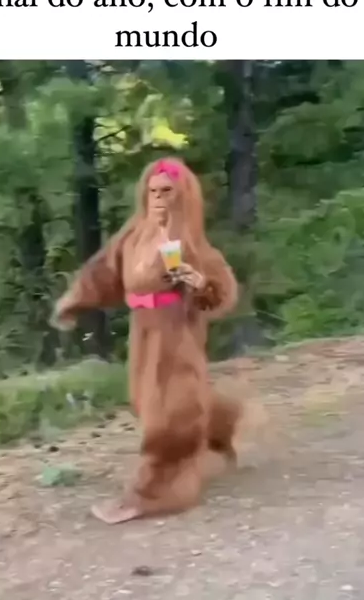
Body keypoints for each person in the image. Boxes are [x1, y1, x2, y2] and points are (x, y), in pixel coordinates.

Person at [51, 157, 242, 524]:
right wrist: (75, 301)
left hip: (177, 330)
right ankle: (217, 425)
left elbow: (221, 290)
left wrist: (200, 283)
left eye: (166, 191)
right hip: (143, 330)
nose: (158, 198)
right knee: (147, 401)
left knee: (170, 411)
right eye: (152, 191)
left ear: (181, 196)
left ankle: (155, 492)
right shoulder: (133, 236)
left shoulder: (189, 243)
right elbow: (103, 270)